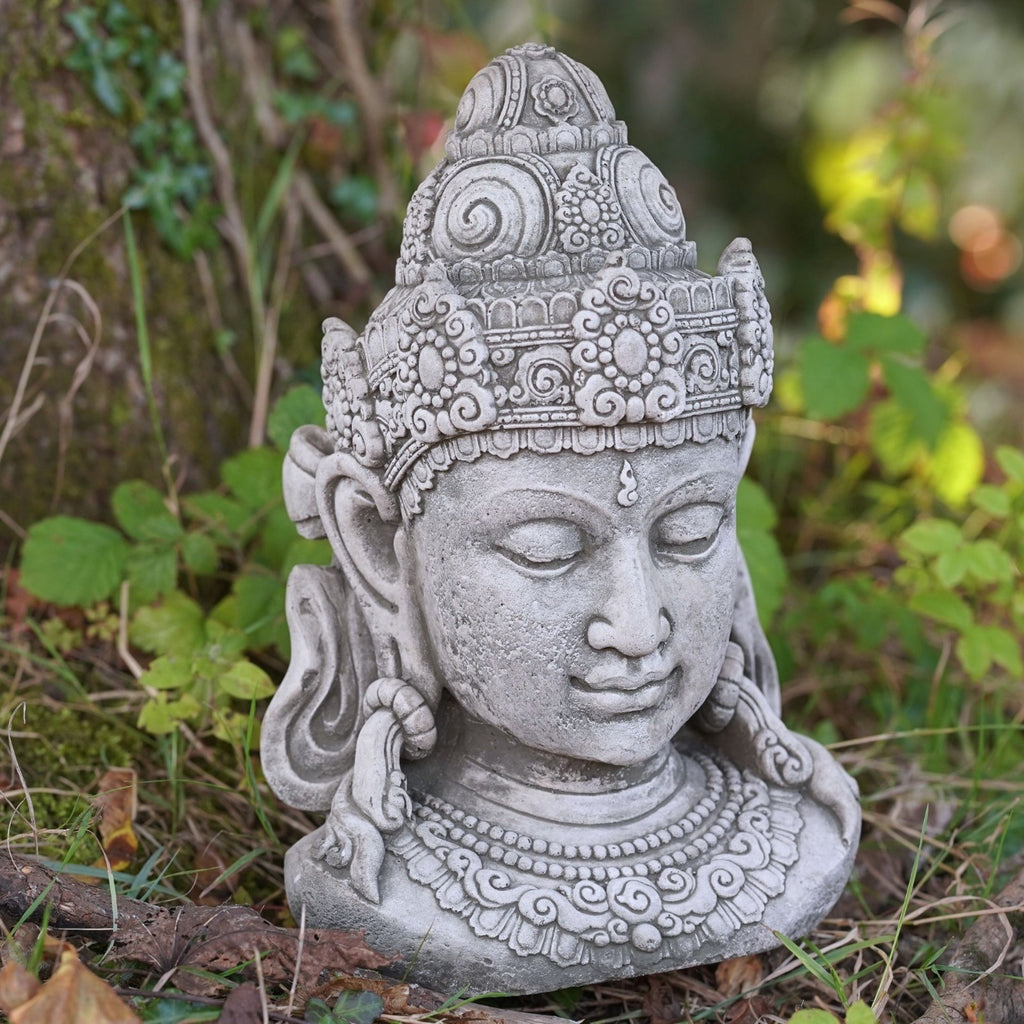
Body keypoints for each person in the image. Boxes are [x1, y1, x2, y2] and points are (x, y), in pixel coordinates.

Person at [261, 43, 859, 995]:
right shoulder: (384, 880)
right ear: (379, 547)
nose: (637, 625)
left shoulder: (801, 834)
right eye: (546, 546)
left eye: (689, 533)